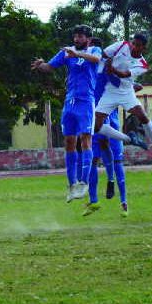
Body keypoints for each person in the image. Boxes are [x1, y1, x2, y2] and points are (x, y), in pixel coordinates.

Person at [32, 25, 104, 202]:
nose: (76, 40)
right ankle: (72, 185)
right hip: (69, 102)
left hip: (86, 102)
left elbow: (95, 59)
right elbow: (50, 67)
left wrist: (77, 54)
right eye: (75, 36)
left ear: (88, 38)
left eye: (80, 37)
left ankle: (84, 183)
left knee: (86, 139)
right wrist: (41, 65)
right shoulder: (67, 52)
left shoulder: (94, 49)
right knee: (69, 142)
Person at [90, 33, 152, 160]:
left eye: (138, 45)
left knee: (142, 115)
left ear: (144, 48)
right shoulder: (122, 45)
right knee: (96, 126)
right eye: (133, 43)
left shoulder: (142, 65)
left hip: (126, 91)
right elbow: (104, 55)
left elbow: (124, 74)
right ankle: (129, 139)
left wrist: (111, 69)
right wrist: (104, 64)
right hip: (110, 91)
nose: (134, 47)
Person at [83, 37, 129, 218]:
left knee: (115, 159)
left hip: (110, 118)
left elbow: (120, 85)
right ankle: (95, 200)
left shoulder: (105, 69)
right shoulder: (87, 71)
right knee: (95, 157)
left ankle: (123, 201)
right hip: (94, 119)